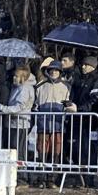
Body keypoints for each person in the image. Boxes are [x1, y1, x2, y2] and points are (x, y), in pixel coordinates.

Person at [68, 56, 98, 187]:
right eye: (82, 64)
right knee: (77, 149)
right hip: (79, 120)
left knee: (88, 150)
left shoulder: (97, 81)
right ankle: (81, 178)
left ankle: (89, 180)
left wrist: (78, 109)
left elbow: (95, 100)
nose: (83, 67)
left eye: (86, 65)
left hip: (91, 121)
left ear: (93, 66)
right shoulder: (80, 79)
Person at [34, 59, 70, 188]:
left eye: (56, 70)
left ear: (60, 72)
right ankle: (41, 179)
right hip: (43, 125)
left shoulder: (67, 86)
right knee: (42, 151)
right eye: (52, 70)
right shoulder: (40, 86)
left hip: (58, 126)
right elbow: (35, 106)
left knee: (56, 153)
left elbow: (69, 105)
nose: (54, 72)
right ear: (48, 71)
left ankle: (52, 179)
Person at [0, 65, 36, 166]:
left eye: (16, 76)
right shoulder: (16, 87)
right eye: (14, 76)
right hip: (13, 123)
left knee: (18, 149)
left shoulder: (25, 88)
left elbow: (19, 107)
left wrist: (2, 108)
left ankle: (22, 175)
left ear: (22, 77)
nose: (14, 78)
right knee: (13, 149)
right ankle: (15, 172)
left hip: (20, 123)